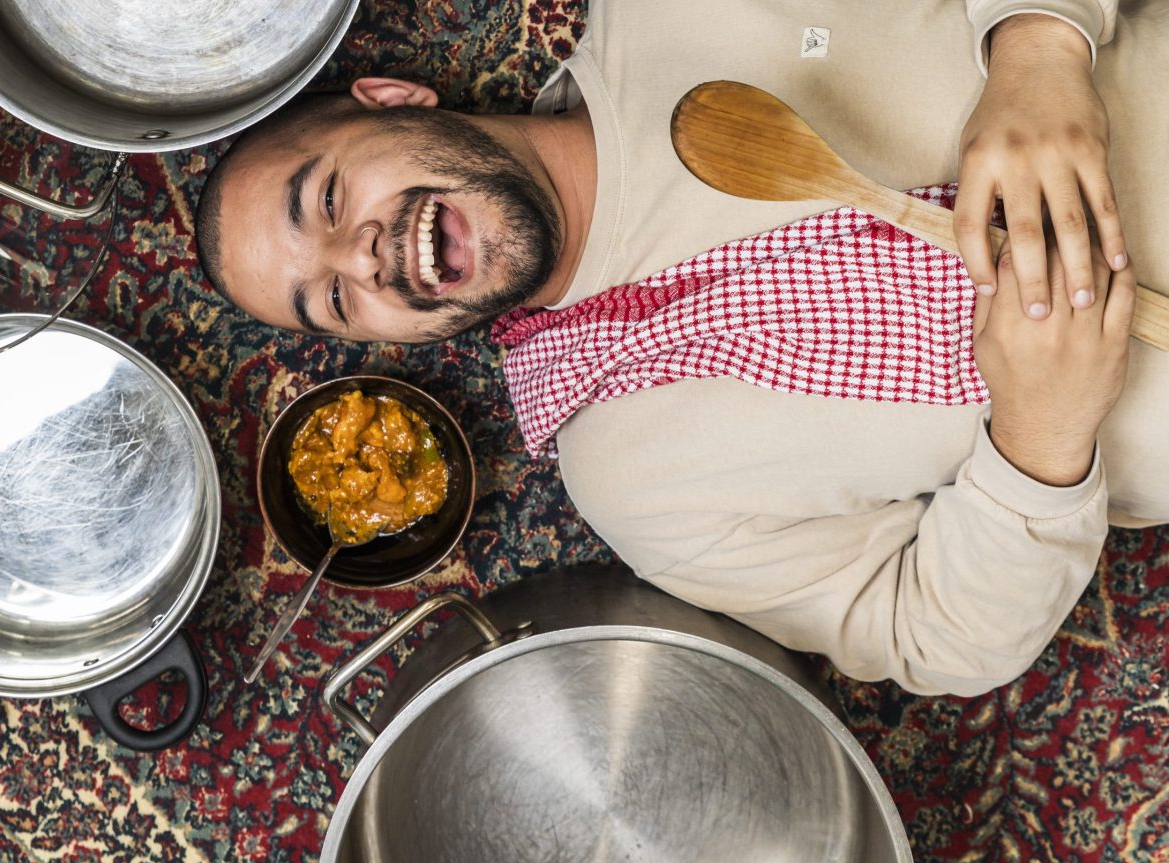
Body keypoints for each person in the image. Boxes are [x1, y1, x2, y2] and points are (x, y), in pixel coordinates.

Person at [196, 0, 1169, 696]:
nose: (359, 256)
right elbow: (936, 639)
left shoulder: (668, 16)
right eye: (333, 302)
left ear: (397, 99)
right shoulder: (634, 482)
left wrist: (1039, 47)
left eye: (328, 199)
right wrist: (1042, 437)